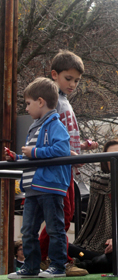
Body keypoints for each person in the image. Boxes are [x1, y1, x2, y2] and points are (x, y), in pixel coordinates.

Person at [39, 50, 98, 277]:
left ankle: (45, 255)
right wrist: (69, 153)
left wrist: (81, 147)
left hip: (68, 167)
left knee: (66, 215)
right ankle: (55, 258)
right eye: (68, 79)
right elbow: (51, 136)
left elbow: (64, 137)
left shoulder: (64, 102)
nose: (73, 84)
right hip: (58, 168)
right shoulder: (53, 103)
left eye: (77, 81)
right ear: (54, 75)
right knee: (61, 216)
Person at [6, 77, 71, 278]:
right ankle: (31, 267)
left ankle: (58, 266)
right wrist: (17, 158)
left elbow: (62, 149)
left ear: (41, 101)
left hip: (50, 187)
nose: (26, 108)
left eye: (28, 103)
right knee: (28, 230)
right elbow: (33, 154)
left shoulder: (55, 124)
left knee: (54, 228)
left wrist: (33, 153)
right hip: (33, 187)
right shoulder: (35, 125)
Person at [68, 140, 118, 274]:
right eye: (110, 157)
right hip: (88, 249)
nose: (116, 160)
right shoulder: (97, 179)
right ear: (105, 161)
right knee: (63, 246)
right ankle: (87, 262)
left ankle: (84, 265)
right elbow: (110, 181)